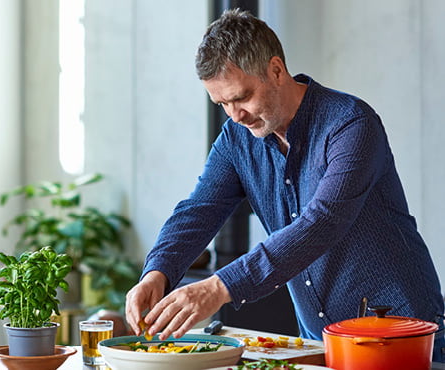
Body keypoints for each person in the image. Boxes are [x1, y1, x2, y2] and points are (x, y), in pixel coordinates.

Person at [125, 8, 445, 361]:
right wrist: (157, 272)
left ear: (276, 70)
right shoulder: (237, 138)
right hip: (319, 341)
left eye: (242, 96)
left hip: (400, 335)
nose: (235, 115)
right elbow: (198, 210)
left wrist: (219, 287)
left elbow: (321, 224)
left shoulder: (351, 125)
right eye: (222, 103)